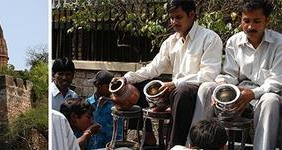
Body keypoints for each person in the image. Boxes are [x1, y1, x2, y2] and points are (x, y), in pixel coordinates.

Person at [115, 0, 223, 148]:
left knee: (182, 92)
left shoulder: (209, 38)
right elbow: (153, 68)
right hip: (175, 90)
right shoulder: (171, 42)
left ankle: (175, 145)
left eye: (178, 17)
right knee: (139, 86)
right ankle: (147, 137)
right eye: (171, 18)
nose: (173, 22)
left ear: (191, 15)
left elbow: (209, 74)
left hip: (198, 90)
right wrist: (126, 78)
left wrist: (175, 83)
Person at [195, 1, 282, 149]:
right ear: (241, 20)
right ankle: (198, 144)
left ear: (267, 20)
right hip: (238, 93)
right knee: (207, 88)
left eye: (256, 21)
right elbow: (229, 74)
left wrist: (253, 93)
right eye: (246, 21)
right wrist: (223, 89)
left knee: (270, 100)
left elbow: (277, 80)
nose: (250, 27)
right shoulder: (233, 42)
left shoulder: (279, 43)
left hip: (264, 94)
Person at [84, 70, 124, 148]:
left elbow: (119, 131)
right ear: (98, 85)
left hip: (109, 146)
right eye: (107, 87)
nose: (110, 90)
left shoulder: (115, 106)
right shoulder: (87, 103)